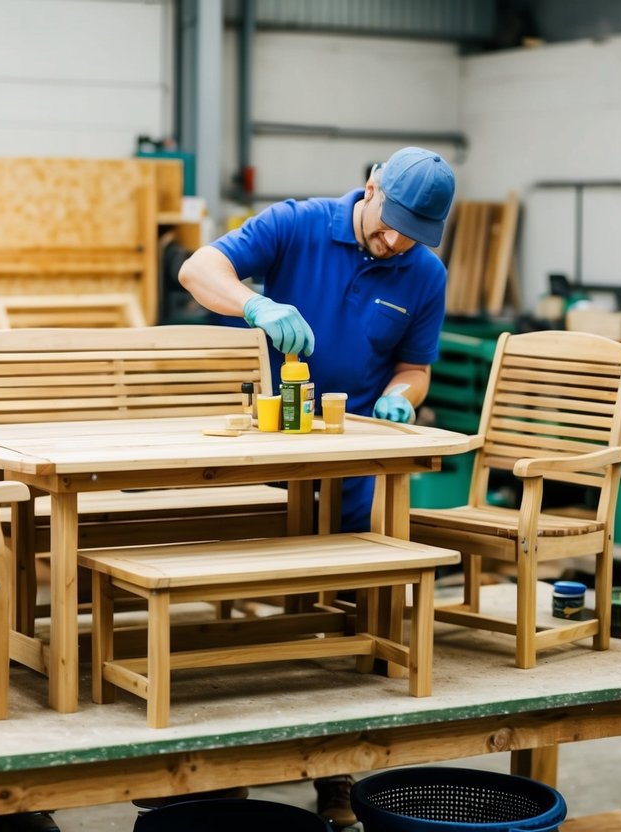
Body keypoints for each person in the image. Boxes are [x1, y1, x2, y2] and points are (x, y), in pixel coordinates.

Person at [177, 146, 455, 828]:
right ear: (368, 191)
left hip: (349, 462)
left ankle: (338, 776)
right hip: (259, 454)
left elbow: (414, 366)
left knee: (356, 613)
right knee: (228, 590)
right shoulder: (296, 225)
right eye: (388, 225)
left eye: (410, 235)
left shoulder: (423, 272)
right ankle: (220, 774)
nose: (394, 243)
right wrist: (255, 306)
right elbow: (196, 267)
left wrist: (399, 395)